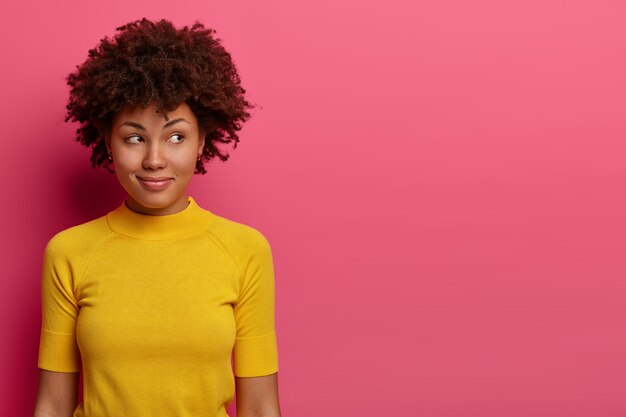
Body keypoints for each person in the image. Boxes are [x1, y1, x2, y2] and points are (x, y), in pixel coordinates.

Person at [33, 18, 281, 417]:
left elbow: (260, 407)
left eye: (176, 136)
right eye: (134, 137)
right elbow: (52, 404)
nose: (154, 159)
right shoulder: (69, 252)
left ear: (203, 140)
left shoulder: (245, 250)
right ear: (107, 140)